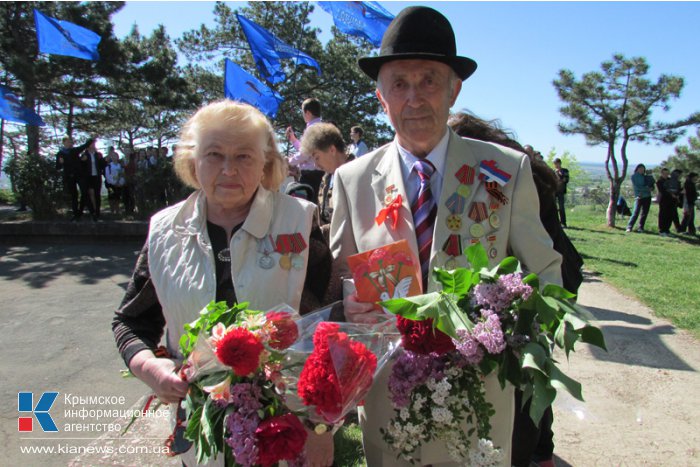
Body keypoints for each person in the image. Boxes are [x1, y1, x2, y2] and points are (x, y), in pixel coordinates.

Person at [328, 7, 562, 466]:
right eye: (400, 83)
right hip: (389, 397)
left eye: (429, 80)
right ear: (382, 97)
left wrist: (512, 331)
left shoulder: (503, 170)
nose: (414, 97)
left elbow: (546, 274)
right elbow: (339, 278)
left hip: (480, 395)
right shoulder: (352, 180)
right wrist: (347, 301)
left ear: (454, 90)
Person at [112, 100, 334, 467]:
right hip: (201, 432)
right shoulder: (166, 230)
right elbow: (131, 321)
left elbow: (329, 325)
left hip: (289, 429)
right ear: (192, 161)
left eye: (244, 156)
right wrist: (150, 369)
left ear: (266, 163)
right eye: (214, 154)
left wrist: (323, 427)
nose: (229, 169)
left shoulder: (299, 222)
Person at [449, 111, 583, 467]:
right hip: (545, 271)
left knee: (526, 373)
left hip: (543, 276)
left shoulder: (498, 175)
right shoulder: (514, 166)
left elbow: (499, 218)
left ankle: (533, 450)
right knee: (530, 371)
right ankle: (540, 449)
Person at [301, 122, 355, 226]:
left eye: (317, 158)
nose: (316, 165)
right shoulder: (327, 177)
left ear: (332, 150)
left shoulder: (357, 174)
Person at [286, 97, 326, 201]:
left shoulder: (312, 128)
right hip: (315, 173)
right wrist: (294, 140)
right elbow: (307, 150)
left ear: (307, 113)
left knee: (305, 206)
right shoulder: (320, 127)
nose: (303, 115)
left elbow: (305, 153)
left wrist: (290, 162)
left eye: (303, 112)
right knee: (311, 204)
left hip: (309, 175)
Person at [55, 136, 94, 221]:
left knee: (85, 192)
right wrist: (60, 163)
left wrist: (92, 138)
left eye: (71, 142)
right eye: (69, 142)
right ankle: (76, 214)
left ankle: (92, 213)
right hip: (69, 177)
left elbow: (84, 146)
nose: (70, 143)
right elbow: (58, 167)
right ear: (64, 142)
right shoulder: (60, 153)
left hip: (79, 175)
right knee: (74, 196)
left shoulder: (74, 150)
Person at [80, 139, 105, 221]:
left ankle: (97, 212)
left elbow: (102, 165)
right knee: (90, 193)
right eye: (92, 144)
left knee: (97, 195)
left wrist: (105, 160)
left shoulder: (98, 155)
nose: (94, 145)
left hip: (97, 176)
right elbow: (81, 166)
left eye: (94, 144)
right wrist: (82, 161)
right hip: (88, 177)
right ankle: (92, 211)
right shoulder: (84, 155)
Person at [626, 164, 655, 232]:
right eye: (640, 168)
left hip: (647, 196)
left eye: (643, 169)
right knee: (636, 212)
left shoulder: (646, 176)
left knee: (644, 213)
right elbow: (638, 187)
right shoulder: (634, 177)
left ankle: (641, 227)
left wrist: (650, 177)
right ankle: (629, 226)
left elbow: (652, 184)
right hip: (639, 196)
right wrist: (647, 189)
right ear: (637, 169)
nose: (642, 170)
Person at [657, 168, 679, 237]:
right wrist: (671, 194)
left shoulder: (670, 180)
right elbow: (662, 191)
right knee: (663, 215)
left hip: (672, 201)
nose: (666, 175)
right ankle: (662, 230)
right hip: (664, 201)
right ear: (661, 173)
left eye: (667, 173)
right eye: (664, 173)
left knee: (670, 216)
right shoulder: (659, 181)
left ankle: (667, 230)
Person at [104, 148, 125, 216]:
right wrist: (113, 182)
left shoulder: (120, 166)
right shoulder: (108, 166)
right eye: (113, 156)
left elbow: (122, 175)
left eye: (115, 156)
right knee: (111, 197)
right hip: (111, 184)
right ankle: (112, 210)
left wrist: (120, 183)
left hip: (119, 184)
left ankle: (117, 209)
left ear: (118, 157)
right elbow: (107, 176)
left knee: (117, 197)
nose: (114, 157)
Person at [553, 158, 569, 227]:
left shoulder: (565, 171)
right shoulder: (553, 171)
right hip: (554, 191)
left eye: (557, 163)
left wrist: (559, 174)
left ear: (560, 163)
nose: (556, 165)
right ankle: (555, 222)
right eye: (555, 164)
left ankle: (563, 222)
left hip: (561, 191)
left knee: (561, 207)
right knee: (553, 207)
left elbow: (565, 179)